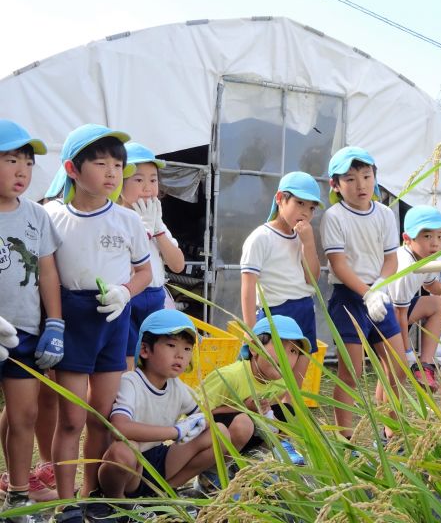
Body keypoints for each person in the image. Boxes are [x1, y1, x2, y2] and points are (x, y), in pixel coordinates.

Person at [45, 124, 152, 523]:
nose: (112, 173)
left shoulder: (127, 220)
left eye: (117, 165)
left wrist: (126, 291)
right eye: (101, 163)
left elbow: (143, 271)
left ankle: (93, 495)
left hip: (114, 318)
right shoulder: (52, 217)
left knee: (102, 415)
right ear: (72, 169)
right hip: (72, 317)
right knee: (71, 416)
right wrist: (53, 320)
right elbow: (45, 274)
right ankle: (64, 500)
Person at [319, 146, 405, 441]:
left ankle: (390, 434)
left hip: (380, 295)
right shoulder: (334, 217)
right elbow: (338, 265)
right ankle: (346, 441)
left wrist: (379, 289)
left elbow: (391, 259)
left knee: (397, 367)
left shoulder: (384, 214)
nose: (361, 185)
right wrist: (367, 294)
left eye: (366, 176)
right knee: (351, 373)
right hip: (349, 298)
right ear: (336, 185)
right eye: (351, 179)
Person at [0, 120, 63, 520]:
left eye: (28, 162)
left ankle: (18, 495)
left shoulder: (37, 216)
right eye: (10, 160)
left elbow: (48, 272)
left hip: (24, 332)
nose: (22, 171)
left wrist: (54, 322)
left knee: (24, 415)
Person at [96, 309, 216, 510]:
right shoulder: (131, 382)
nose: (180, 355)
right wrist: (175, 431)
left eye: (187, 349)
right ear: (145, 350)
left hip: (161, 460)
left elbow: (205, 417)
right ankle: (117, 502)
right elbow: (119, 427)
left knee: (219, 432)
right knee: (124, 450)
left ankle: (164, 492)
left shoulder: (178, 387)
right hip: (133, 467)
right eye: (171, 345)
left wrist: (197, 424)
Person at [196, 315, 310, 470]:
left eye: (293, 351)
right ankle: (214, 471)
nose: (286, 358)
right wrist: (242, 407)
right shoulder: (230, 377)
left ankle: (247, 463)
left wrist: (266, 411)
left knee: (286, 413)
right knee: (244, 422)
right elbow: (195, 414)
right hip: (207, 437)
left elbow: (271, 410)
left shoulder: (280, 383)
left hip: (244, 433)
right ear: (254, 347)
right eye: (279, 347)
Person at [240, 171, 322, 387]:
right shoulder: (261, 237)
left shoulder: (302, 237)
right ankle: (262, 419)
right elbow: (248, 285)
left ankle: (291, 417)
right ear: (280, 199)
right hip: (276, 313)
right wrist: (250, 331)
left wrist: (309, 243)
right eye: (299, 203)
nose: (305, 212)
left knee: (296, 384)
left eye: (311, 208)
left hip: (304, 309)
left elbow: (312, 279)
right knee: (266, 381)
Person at [119, 142, 185, 370]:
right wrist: (141, 231)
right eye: (138, 179)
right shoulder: (115, 218)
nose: (147, 187)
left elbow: (178, 265)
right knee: (126, 360)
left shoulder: (156, 218)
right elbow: (121, 268)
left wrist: (157, 230)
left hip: (155, 296)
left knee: (155, 362)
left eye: (153, 179)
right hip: (127, 296)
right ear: (119, 182)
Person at [388, 205, 441, 391]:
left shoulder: (425, 258)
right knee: (393, 373)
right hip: (383, 317)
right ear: (407, 239)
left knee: (438, 303)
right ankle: (388, 416)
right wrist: (407, 352)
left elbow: (430, 285)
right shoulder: (405, 265)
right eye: (427, 236)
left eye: (440, 236)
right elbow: (399, 314)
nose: (435, 243)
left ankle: (425, 365)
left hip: (400, 312)